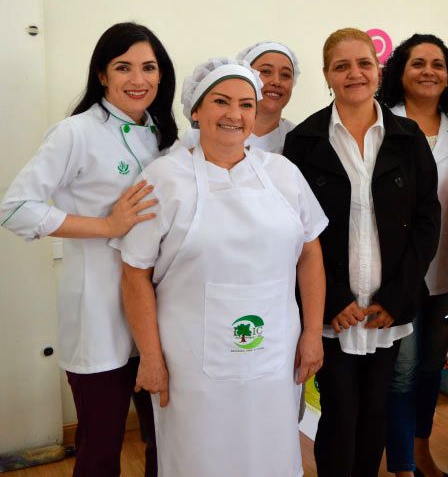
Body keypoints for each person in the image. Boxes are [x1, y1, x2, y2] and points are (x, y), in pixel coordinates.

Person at [118, 58, 328, 476]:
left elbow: (310, 255)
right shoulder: (163, 179)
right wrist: (151, 358)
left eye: (246, 105)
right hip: (190, 364)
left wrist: (311, 334)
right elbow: (134, 272)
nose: (235, 115)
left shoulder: (283, 174)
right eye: (221, 102)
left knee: (271, 452)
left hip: (273, 356)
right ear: (196, 109)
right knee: (200, 457)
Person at [0, 22, 177, 477]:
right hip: (98, 309)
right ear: (102, 74)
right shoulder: (74, 133)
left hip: (160, 307)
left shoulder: (165, 135)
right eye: (124, 67)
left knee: (165, 433)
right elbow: (15, 208)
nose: (138, 80)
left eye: (148, 68)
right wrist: (106, 224)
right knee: (101, 442)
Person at [283, 28, 441, 476]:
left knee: (376, 411)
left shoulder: (408, 137)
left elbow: (428, 221)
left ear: (377, 70)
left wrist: (397, 297)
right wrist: (332, 301)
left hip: (386, 308)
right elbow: (296, 232)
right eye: (341, 66)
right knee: (340, 412)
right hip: (334, 310)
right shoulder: (305, 142)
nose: (354, 73)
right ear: (327, 76)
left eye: (363, 63)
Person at [377, 34, 448, 477]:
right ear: (400, 72)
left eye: (438, 64)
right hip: (397, 274)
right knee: (402, 370)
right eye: (418, 63)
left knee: (431, 367)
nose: (429, 71)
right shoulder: (381, 124)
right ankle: (400, 462)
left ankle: (419, 450)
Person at [178, 40, 300, 154]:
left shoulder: (300, 138)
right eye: (266, 71)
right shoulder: (196, 136)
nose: (276, 81)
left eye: (285, 75)